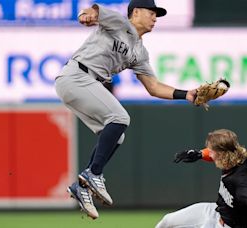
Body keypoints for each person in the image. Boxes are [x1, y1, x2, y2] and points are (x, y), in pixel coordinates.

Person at [54, 0, 197, 219]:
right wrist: (86, 15)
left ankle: (81, 187)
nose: (155, 18)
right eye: (152, 12)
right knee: (120, 117)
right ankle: (93, 174)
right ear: (136, 12)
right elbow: (92, 11)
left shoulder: (140, 51)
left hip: (85, 83)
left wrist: (186, 94)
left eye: (157, 14)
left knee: (116, 135)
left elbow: (153, 87)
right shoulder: (120, 22)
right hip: (77, 75)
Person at [156, 129, 247, 228]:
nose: (209, 153)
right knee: (167, 221)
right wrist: (200, 154)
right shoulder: (235, 156)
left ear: (221, 154)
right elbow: (215, 152)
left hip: (230, 225)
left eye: (212, 151)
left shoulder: (242, 180)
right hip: (217, 212)